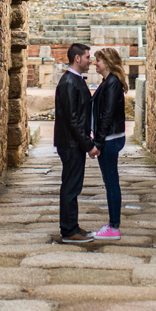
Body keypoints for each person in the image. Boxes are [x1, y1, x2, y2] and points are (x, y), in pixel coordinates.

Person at [53, 43, 98, 243]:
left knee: (73, 185)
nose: (91, 60)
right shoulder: (69, 82)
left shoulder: (75, 80)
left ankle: (72, 225)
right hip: (70, 143)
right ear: (77, 59)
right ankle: (69, 230)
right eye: (88, 57)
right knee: (71, 186)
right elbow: (73, 119)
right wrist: (88, 145)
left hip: (73, 142)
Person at [89, 46, 128, 241]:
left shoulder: (112, 83)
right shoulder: (108, 82)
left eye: (99, 60)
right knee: (109, 182)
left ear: (108, 63)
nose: (95, 63)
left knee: (112, 182)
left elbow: (107, 115)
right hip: (110, 137)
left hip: (110, 139)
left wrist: (98, 142)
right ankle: (113, 224)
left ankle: (114, 227)